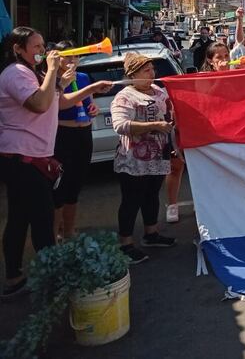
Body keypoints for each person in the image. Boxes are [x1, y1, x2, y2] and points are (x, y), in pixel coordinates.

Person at [0, 27, 111, 297]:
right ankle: (53, 280)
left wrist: (91, 88)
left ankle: (14, 278)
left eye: (42, 45)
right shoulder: (16, 74)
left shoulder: (30, 73)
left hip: (31, 157)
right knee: (41, 219)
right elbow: (38, 104)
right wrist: (52, 71)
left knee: (19, 218)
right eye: (36, 47)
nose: (42, 51)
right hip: (23, 158)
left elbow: (57, 102)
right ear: (18, 49)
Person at [111, 52, 176, 264]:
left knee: (151, 196)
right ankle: (126, 243)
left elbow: (171, 111)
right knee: (132, 200)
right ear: (132, 75)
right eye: (146, 70)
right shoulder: (125, 96)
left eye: (152, 69)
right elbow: (120, 125)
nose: (152, 73)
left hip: (158, 155)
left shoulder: (158, 90)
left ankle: (151, 233)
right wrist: (154, 125)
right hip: (134, 160)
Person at [51, 41, 101, 240]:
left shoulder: (83, 77)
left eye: (75, 56)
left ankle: (69, 230)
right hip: (62, 135)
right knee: (59, 188)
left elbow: (89, 103)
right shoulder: (51, 80)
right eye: (67, 56)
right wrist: (62, 82)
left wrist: (93, 109)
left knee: (75, 185)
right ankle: (54, 235)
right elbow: (58, 105)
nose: (72, 60)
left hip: (83, 134)